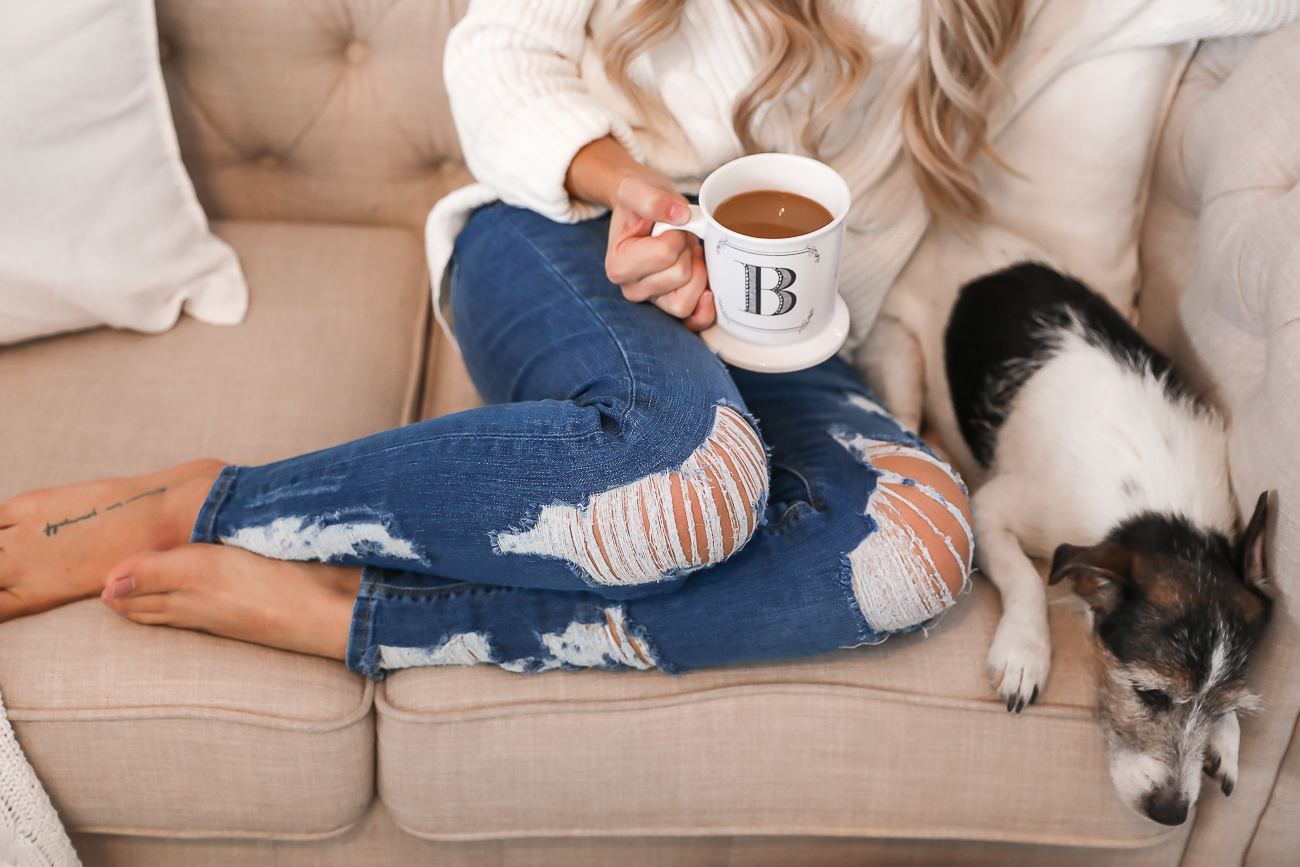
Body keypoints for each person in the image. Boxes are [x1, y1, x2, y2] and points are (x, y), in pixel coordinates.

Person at [0, 0, 1290, 679]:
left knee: (921, 550)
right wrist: (624, 186)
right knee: (698, 474)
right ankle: (216, 503)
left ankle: (367, 609)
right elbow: (497, 54)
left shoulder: (970, 15)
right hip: (553, 239)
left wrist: (744, 293)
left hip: (774, 343)